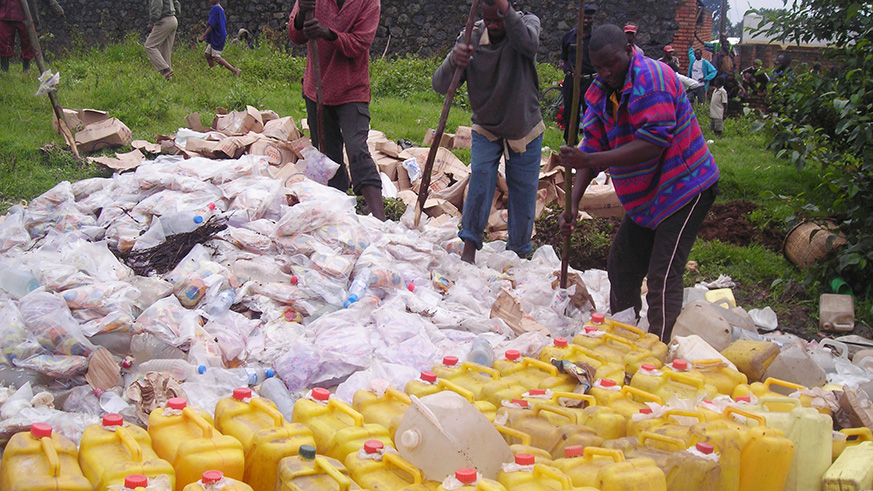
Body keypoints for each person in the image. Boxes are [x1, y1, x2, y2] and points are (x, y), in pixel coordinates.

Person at [558, 24, 719, 342]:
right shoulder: (600, 91)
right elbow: (592, 146)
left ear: (628, 51)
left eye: (611, 64)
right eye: (599, 67)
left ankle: (660, 349)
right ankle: (625, 338)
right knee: (622, 265)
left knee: (662, 275)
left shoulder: (652, 79)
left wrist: (589, 159)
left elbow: (653, 143)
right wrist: (573, 204)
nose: (605, 72)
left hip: (685, 187)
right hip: (647, 197)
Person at [432, 0, 542, 264]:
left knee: (523, 192)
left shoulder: (526, 25)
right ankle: (469, 246)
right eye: (488, 20)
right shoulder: (471, 35)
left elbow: (528, 45)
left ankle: (518, 253)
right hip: (487, 126)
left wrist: (506, 11)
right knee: (480, 180)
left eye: (498, 19)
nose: (492, 26)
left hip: (524, 127)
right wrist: (454, 60)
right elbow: (440, 85)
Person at [288, 0, 385, 220]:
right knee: (327, 155)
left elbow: (359, 44)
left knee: (356, 147)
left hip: (352, 89)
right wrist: (303, 13)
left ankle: (380, 219)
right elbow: (296, 36)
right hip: (317, 88)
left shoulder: (369, 2)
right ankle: (338, 212)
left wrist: (327, 33)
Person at [559, 3, 597, 143]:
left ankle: (590, 144)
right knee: (569, 113)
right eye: (583, 17)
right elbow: (564, 57)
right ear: (578, 17)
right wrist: (568, 69)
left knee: (590, 114)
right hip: (571, 80)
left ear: (593, 19)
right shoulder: (569, 37)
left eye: (589, 18)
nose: (586, 20)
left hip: (590, 81)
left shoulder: (596, 38)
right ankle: (570, 143)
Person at [197, 0, 240, 75]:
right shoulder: (220, 9)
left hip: (218, 35)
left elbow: (212, 25)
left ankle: (234, 70)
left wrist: (203, 36)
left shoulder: (215, 9)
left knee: (216, 57)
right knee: (208, 54)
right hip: (217, 34)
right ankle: (213, 72)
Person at [145, 0, 181, 80]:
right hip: (173, 19)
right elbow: (176, 3)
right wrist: (176, 14)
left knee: (150, 46)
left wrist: (152, 22)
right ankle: (168, 78)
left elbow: (157, 5)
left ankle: (165, 69)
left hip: (163, 21)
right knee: (165, 50)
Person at [0, 0, 37, 72]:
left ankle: (26, 68)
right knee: (4, 42)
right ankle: (4, 69)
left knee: (27, 42)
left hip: (24, 15)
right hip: (5, 14)